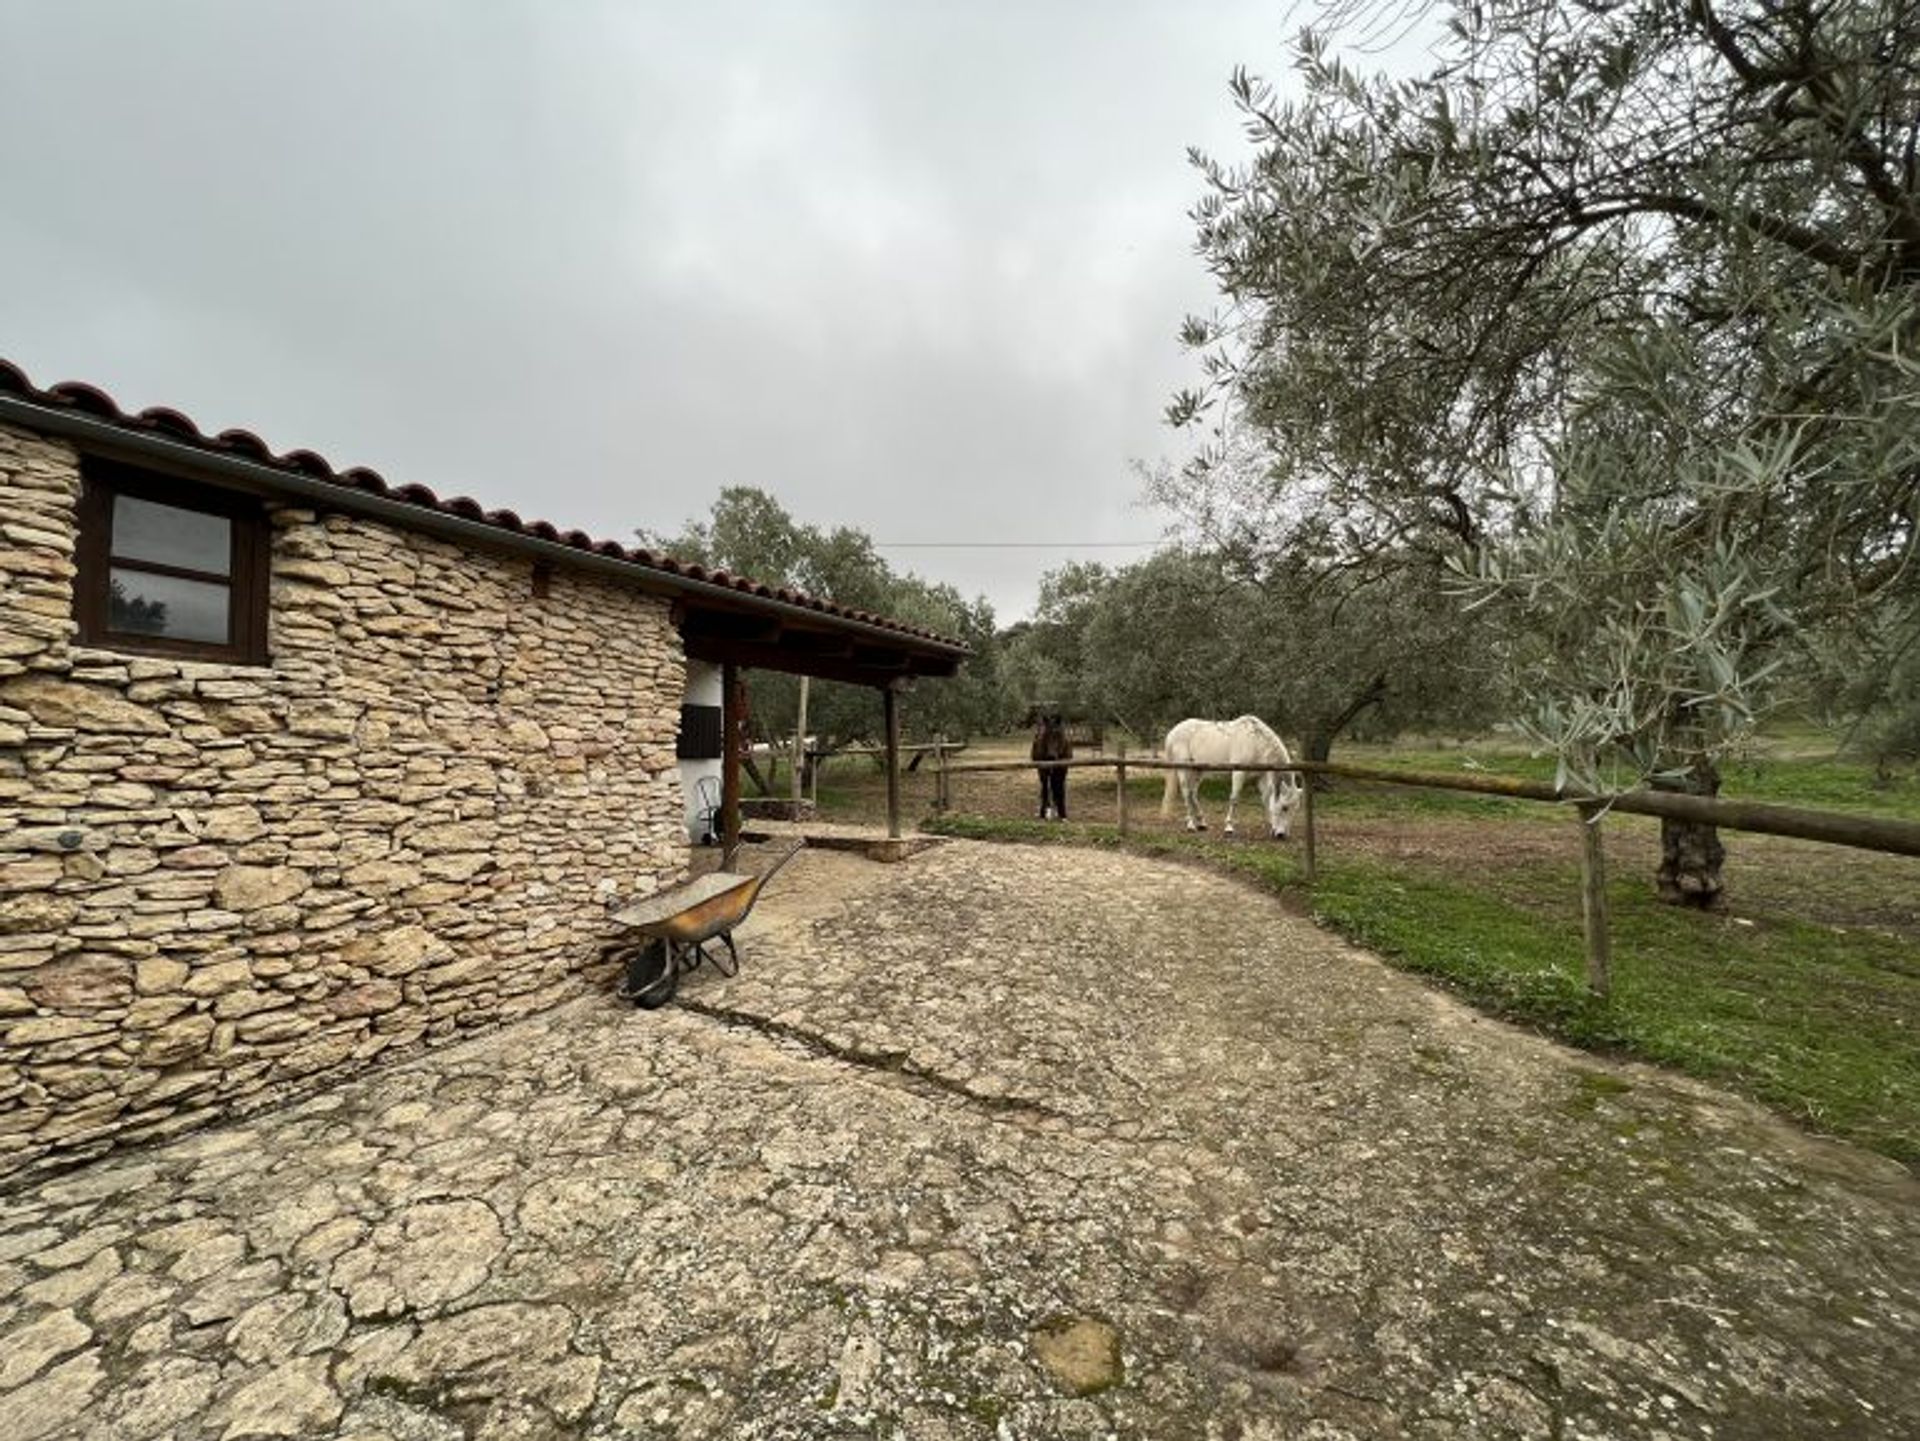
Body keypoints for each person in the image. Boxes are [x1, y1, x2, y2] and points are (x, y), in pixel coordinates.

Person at [1031, 712, 1073, 820]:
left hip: (1061, 759)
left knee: (1059, 785)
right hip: (1043, 759)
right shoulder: (1041, 740)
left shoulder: (1063, 742)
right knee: (1044, 785)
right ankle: (1044, 809)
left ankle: (1061, 812)